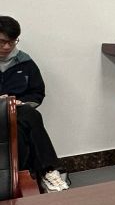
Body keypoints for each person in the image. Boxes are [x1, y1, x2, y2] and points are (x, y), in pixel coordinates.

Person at [0, 16, 68, 192]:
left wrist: (22, 103)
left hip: (17, 112)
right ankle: (48, 170)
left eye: (12, 42)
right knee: (30, 117)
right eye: (2, 42)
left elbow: (37, 92)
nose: (7, 47)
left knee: (23, 124)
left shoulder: (25, 62)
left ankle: (24, 177)